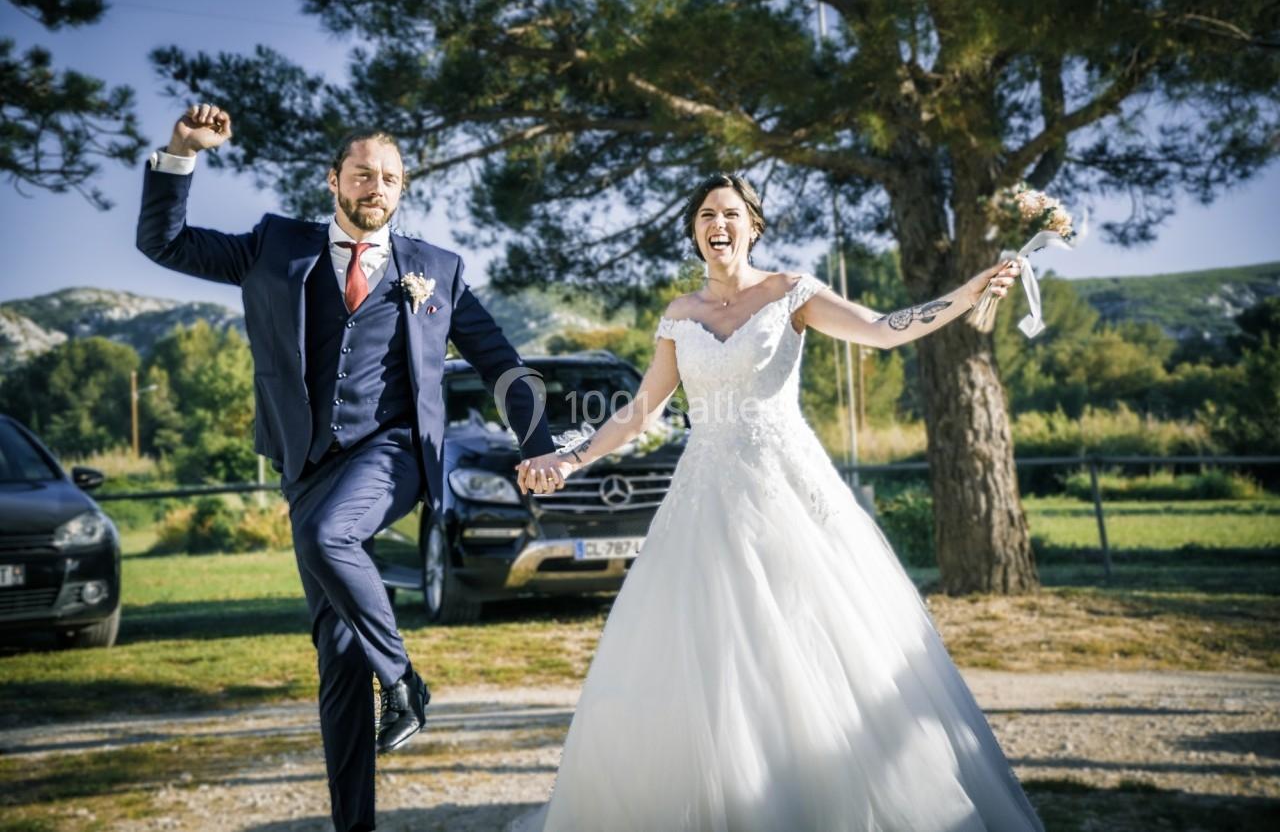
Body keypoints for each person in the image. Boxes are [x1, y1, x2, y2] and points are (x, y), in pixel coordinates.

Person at [511, 173, 1043, 831]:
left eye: (730, 213)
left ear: (752, 226)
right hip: (703, 500)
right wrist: (570, 457)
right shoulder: (680, 315)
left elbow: (881, 330)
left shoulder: (791, 292)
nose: (718, 224)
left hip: (788, 490)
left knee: (809, 639)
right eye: (706, 214)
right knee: (706, 651)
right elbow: (642, 410)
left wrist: (964, 295)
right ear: (695, 231)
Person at [136, 104, 554, 832]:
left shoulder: (438, 271)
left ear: (403, 189)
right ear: (333, 180)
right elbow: (162, 242)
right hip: (305, 465)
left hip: (392, 454)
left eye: (390, 178)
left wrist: (539, 440)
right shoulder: (275, 246)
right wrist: (181, 151)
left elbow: (502, 367)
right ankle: (353, 824)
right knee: (335, 654)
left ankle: (403, 681)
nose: (376, 187)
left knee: (332, 535)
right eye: (363, 173)